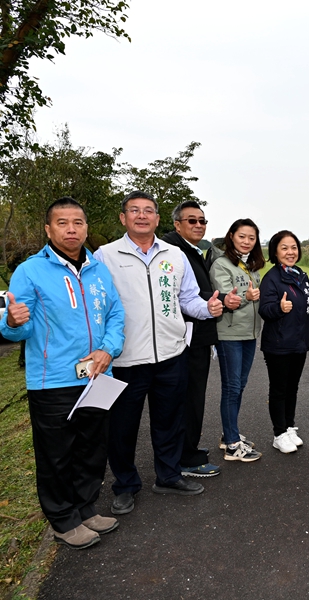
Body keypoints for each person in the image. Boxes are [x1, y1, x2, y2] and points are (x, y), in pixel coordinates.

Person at [0, 197, 125, 550]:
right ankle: (63, 520)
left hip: (97, 375)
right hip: (52, 381)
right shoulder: (30, 271)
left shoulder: (98, 269)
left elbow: (115, 313)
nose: (72, 229)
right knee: (56, 454)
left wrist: (108, 349)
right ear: (48, 229)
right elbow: (18, 329)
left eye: (78, 223)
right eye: (62, 223)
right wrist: (11, 322)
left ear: (86, 228)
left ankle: (85, 508)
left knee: (92, 448)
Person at [94, 190, 223, 515]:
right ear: (123, 218)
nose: (142, 216)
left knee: (170, 422)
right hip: (125, 359)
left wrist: (208, 308)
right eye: (134, 210)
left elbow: (188, 299)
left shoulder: (174, 255)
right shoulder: (105, 256)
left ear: (157, 218)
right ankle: (125, 485)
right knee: (122, 428)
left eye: (148, 210)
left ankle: (168, 476)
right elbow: (98, 307)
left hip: (171, 355)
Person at [163, 201, 240, 478]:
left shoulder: (190, 250)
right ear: (177, 224)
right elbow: (182, 296)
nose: (198, 225)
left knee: (192, 399)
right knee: (188, 400)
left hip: (195, 336)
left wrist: (220, 301)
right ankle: (186, 458)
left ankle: (187, 451)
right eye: (192, 220)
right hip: (185, 338)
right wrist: (218, 300)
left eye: (202, 221)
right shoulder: (172, 251)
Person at [209, 218, 264, 462]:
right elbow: (226, 298)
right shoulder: (221, 264)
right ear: (231, 236)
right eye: (242, 236)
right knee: (231, 387)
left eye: (251, 238)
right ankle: (232, 444)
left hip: (249, 334)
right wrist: (246, 297)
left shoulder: (250, 266)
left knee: (239, 385)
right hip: (229, 334)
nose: (246, 241)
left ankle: (229, 433)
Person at [259, 230, 309, 453]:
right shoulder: (271, 278)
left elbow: (307, 308)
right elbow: (264, 310)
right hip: (278, 344)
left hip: (299, 342)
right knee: (279, 389)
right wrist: (279, 307)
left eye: (293, 247)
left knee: (292, 388)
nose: (290, 252)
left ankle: (289, 426)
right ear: (275, 252)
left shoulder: (300, 275)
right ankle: (279, 433)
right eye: (284, 248)